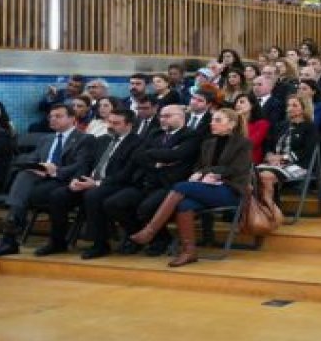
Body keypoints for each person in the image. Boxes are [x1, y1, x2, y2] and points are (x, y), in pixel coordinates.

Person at [129, 109, 253, 267]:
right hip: (206, 187)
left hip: (230, 190)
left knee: (181, 186)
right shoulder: (208, 142)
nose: (212, 123)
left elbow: (238, 169)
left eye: (218, 120)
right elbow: (198, 165)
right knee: (183, 205)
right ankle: (189, 252)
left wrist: (211, 173)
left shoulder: (243, 143)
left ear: (231, 124)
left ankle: (150, 230)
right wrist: (199, 173)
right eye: (212, 120)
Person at [0, 103, 95, 257]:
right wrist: (36, 166)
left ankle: (9, 234)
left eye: (58, 116)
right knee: (25, 174)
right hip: (41, 180)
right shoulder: (46, 138)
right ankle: (9, 235)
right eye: (51, 116)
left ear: (72, 119)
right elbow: (32, 158)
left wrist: (55, 171)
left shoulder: (84, 139)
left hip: (64, 181)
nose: (53, 119)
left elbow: (81, 165)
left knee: (25, 187)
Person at [109, 104, 201, 255]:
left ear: (181, 117)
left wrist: (153, 155)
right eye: (161, 116)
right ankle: (138, 236)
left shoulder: (191, 135)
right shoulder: (155, 133)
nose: (163, 119)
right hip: (148, 180)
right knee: (114, 204)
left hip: (171, 185)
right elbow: (138, 155)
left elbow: (178, 156)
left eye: (167, 116)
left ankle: (161, 239)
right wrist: (159, 162)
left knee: (145, 208)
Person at [66, 108, 147, 259]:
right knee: (60, 194)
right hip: (93, 181)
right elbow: (86, 163)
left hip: (121, 184)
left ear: (129, 125)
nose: (111, 126)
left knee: (93, 195)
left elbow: (127, 174)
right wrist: (77, 178)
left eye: (116, 123)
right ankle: (58, 241)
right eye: (109, 122)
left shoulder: (137, 143)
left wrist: (96, 183)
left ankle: (100, 244)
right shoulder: (102, 139)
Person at [255, 95, 318, 194]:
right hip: (274, 163)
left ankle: (271, 208)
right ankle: (266, 208)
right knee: (251, 175)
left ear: (304, 109)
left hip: (299, 165)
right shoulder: (281, 125)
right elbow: (269, 143)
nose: (290, 108)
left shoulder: (310, 127)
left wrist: (282, 158)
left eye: (294, 105)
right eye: (288, 105)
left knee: (264, 177)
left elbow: (307, 151)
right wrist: (269, 155)